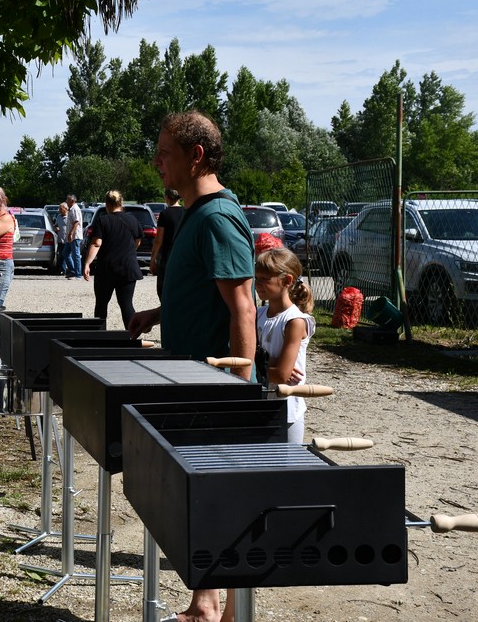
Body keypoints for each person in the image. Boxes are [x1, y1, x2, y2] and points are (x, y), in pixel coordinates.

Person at [128, 110, 256, 622]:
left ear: (195, 155)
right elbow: (205, 293)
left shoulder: (218, 217)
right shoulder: (195, 215)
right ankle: (205, 604)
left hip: (213, 388)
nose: (157, 160)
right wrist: (159, 312)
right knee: (196, 498)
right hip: (188, 381)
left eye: (165, 151)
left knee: (218, 499)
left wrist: (240, 389)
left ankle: (227, 613)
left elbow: (243, 307)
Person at [254, 247, 316, 444]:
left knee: (287, 468)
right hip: (259, 403)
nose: (258, 284)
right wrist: (268, 362)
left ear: (287, 281)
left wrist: (255, 365)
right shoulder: (257, 314)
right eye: (257, 278)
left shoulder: (295, 321)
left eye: (265, 278)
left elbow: (281, 375)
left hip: (287, 410)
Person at [82, 190, 142, 327]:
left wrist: (87, 263)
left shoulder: (103, 220)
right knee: (126, 304)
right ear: (121, 203)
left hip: (107, 269)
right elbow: (137, 241)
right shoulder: (133, 220)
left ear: (107, 204)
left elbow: (96, 243)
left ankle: (100, 338)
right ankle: (132, 337)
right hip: (128, 268)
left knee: (101, 304)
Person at [149, 188, 184, 298]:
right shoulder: (186, 212)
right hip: (183, 255)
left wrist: (153, 259)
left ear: (167, 197)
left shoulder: (165, 214)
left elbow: (159, 240)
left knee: (164, 290)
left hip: (168, 256)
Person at [64, 193, 84, 279]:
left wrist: (71, 233)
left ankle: (78, 274)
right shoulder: (71, 209)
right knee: (65, 253)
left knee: (76, 255)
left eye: (67, 200)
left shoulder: (75, 209)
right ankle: (73, 271)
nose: (66, 201)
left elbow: (76, 222)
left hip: (75, 236)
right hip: (71, 236)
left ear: (72, 200)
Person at [55, 202, 69, 275]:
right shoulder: (58, 216)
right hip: (60, 239)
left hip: (68, 239)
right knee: (61, 255)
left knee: (67, 255)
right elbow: (56, 225)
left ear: (65, 209)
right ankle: (63, 270)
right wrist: (56, 228)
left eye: (61, 208)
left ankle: (69, 269)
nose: (59, 210)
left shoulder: (69, 217)